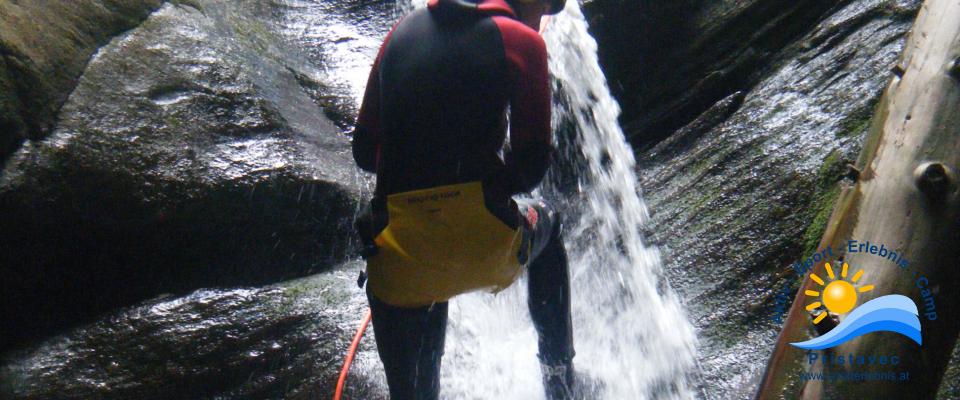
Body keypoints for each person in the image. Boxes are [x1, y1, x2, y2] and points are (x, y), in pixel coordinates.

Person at [351, 0, 574, 398]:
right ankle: (560, 383)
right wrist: (481, 179)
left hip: (399, 257)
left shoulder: (398, 35)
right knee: (550, 226)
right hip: (483, 241)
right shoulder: (521, 43)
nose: (543, 22)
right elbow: (530, 167)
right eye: (544, 8)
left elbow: (365, 152)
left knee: (423, 275)